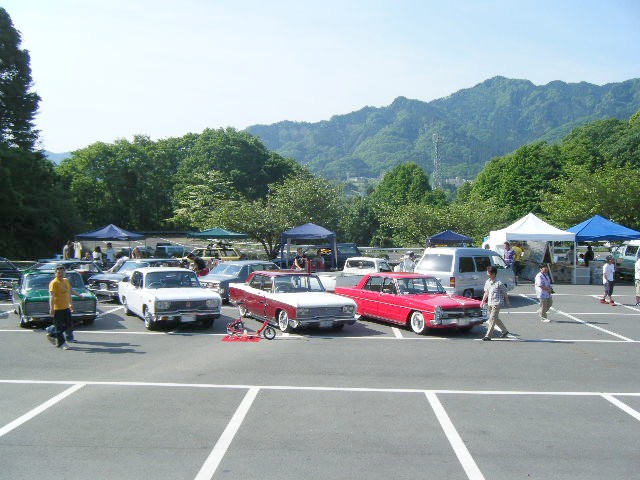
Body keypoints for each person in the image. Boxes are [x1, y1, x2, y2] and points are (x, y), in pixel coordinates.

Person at [47, 265, 78, 349]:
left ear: (65, 273)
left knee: (69, 325)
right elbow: (52, 297)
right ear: (55, 273)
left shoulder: (66, 281)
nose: (60, 274)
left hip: (66, 307)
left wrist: (73, 302)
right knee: (59, 327)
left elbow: (69, 291)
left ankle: (51, 332)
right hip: (57, 308)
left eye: (62, 272)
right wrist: (52, 309)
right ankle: (61, 344)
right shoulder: (54, 283)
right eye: (58, 273)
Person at [480, 266, 512, 340]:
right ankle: (505, 331)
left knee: (492, 319)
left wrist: (507, 302)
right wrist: (482, 301)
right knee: (495, 318)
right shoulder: (487, 282)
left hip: (497, 303)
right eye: (487, 272)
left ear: (494, 274)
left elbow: (505, 292)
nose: (488, 274)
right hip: (490, 303)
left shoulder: (499, 283)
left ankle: (488, 336)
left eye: (489, 273)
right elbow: (486, 292)